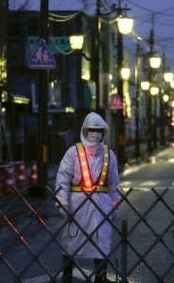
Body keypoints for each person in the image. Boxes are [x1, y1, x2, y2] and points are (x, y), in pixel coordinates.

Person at [55, 112, 120, 283]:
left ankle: (101, 275)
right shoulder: (73, 153)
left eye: (98, 130)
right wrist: (64, 204)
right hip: (77, 204)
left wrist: (114, 206)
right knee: (72, 240)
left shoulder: (109, 155)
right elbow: (62, 180)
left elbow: (114, 184)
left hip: (102, 204)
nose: (95, 134)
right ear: (84, 130)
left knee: (102, 240)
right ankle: (67, 273)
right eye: (91, 130)